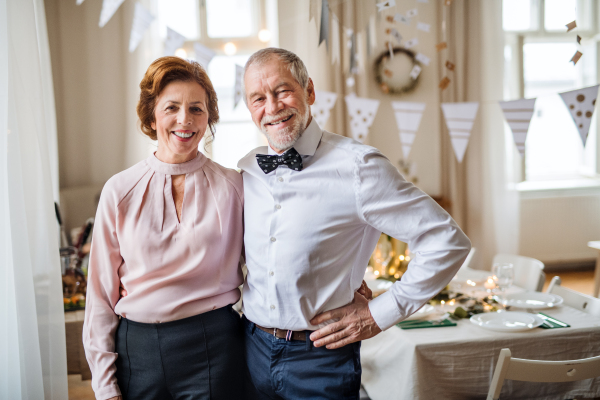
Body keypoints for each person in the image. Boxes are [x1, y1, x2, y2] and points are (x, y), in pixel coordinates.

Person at [238, 47, 472, 399]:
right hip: (249, 348)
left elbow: (447, 240)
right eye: (258, 98)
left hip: (320, 357)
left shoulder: (359, 167)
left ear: (310, 91)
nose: (271, 107)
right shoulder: (246, 171)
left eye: (282, 90)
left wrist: (378, 314)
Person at [82, 57, 246, 400]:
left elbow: (270, 259)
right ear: (152, 115)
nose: (184, 120)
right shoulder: (119, 189)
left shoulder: (234, 186)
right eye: (172, 107)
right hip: (137, 352)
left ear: (209, 119)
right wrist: (104, 386)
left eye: (197, 109)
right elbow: (99, 295)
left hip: (216, 346)